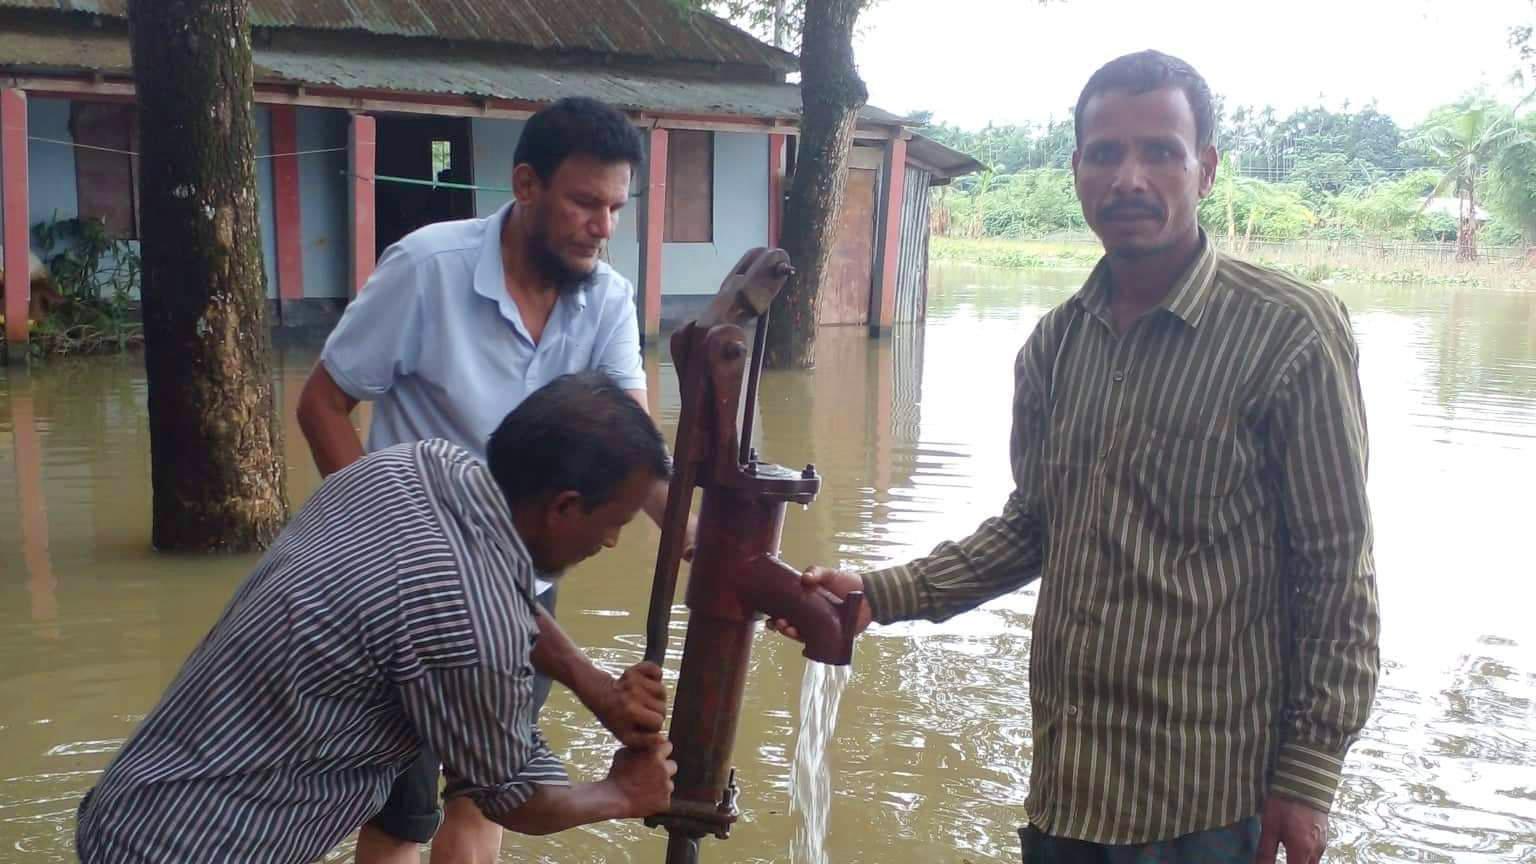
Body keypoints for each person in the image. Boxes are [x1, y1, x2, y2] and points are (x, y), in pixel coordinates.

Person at [775, 50, 1379, 864]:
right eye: (1106, 153)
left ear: (1204, 169)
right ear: (1077, 170)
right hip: (1069, 790)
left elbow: (1338, 573)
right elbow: (1036, 525)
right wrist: (878, 595)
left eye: (1160, 151)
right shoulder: (1056, 345)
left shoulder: (1289, 332)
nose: (1130, 176)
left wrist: (1307, 782)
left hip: (1208, 806)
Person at [297, 96, 688, 863]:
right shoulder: (427, 268)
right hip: (404, 594)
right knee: (401, 817)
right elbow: (322, 403)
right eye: (584, 202)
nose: (602, 227)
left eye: (616, 207)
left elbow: (630, 451)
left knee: (485, 796)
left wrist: (698, 535)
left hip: (526, 585)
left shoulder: (605, 296)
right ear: (526, 185)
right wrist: (385, 523)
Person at [75, 371, 678, 864]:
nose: (612, 544)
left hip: (129, 809)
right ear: (565, 508)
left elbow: (484, 593)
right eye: (615, 523)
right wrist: (619, 794)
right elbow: (515, 797)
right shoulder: (472, 630)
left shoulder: (413, 467)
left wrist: (588, 680)